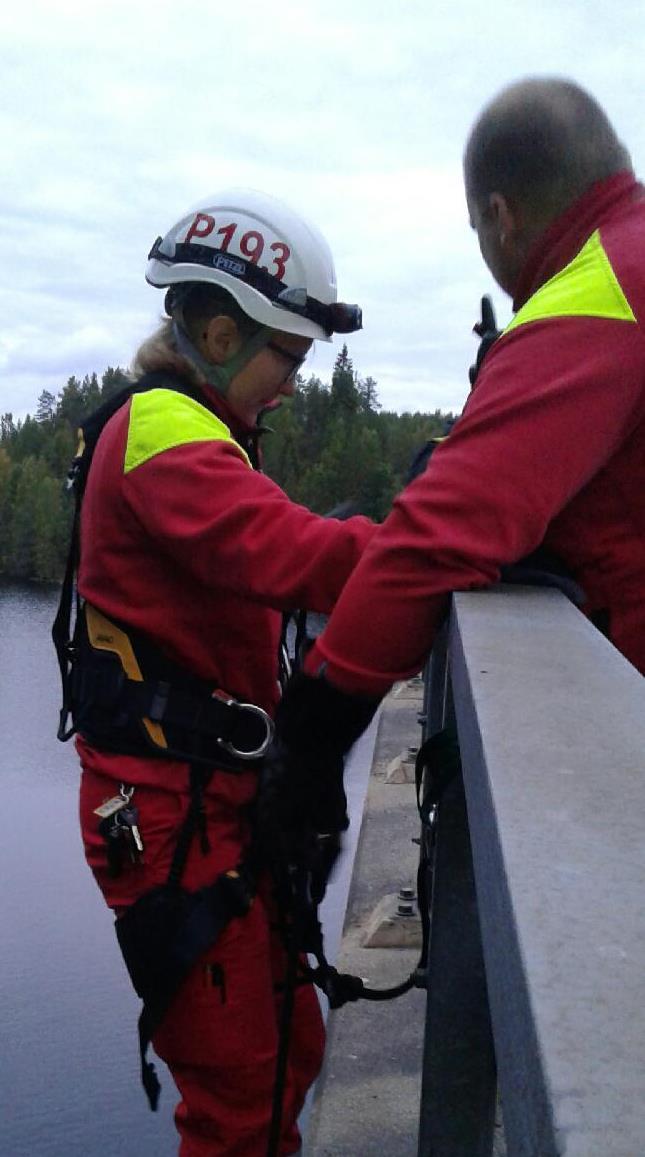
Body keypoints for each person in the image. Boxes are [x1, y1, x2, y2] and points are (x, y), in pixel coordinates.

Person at [264, 77, 645, 891]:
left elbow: (441, 533)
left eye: (477, 228)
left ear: (499, 216)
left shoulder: (597, 293)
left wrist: (310, 735)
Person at [68, 188, 376, 1157]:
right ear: (217, 330)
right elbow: (290, 553)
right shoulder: (161, 429)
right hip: (170, 812)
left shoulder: (198, 425)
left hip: (210, 796)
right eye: (288, 354)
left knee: (284, 1047)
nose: (292, 382)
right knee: (243, 1088)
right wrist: (439, 539)